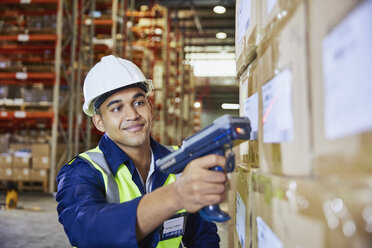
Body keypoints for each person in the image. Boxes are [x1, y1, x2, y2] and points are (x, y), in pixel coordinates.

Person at [56, 55, 228, 248]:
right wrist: (175, 195)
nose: (132, 115)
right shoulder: (81, 171)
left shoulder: (181, 161)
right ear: (99, 122)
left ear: (151, 108)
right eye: (117, 108)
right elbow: (85, 229)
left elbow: (202, 237)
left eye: (138, 103)